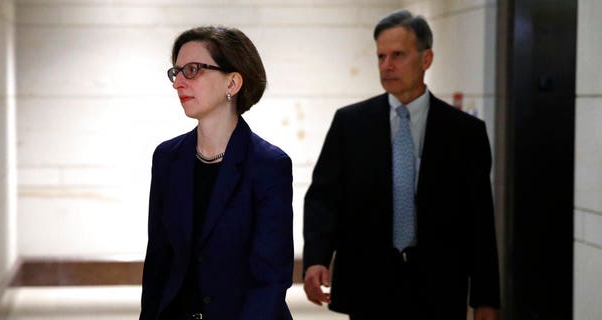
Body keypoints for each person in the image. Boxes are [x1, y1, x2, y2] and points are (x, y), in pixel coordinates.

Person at [302, 9, 501, 320]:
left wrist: (486, 299)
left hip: (438, 289)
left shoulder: (464, 133)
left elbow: (479, 222)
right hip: (368, 285)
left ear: (426, 59)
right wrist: (316, 258)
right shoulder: (350, 124)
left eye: (398, 55)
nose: (387, 65)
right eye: (381, 57)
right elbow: (324, 198)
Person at [140, 26, 294, 320]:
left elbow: (270, 277)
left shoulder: (269, 164)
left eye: (193, 70)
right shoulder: (167, 158)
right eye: (177, 72)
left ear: (233, 83)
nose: (178, 83)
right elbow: (158, 260)